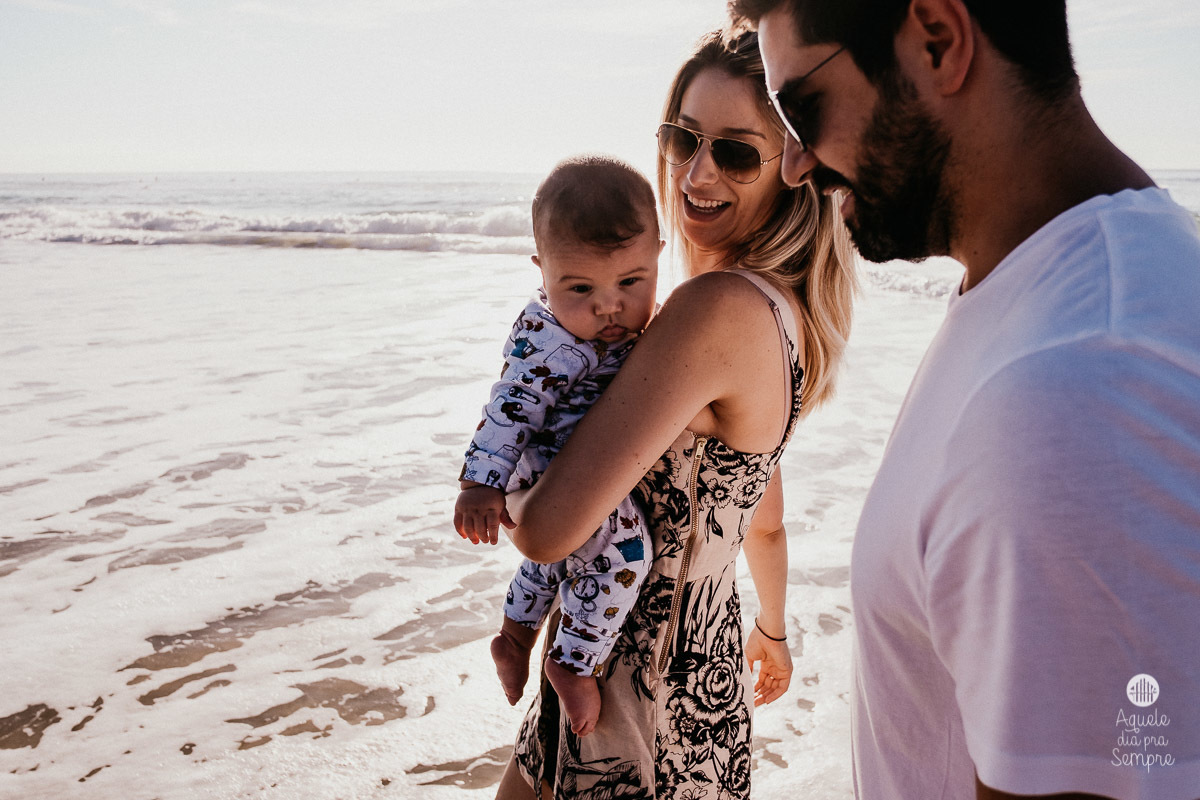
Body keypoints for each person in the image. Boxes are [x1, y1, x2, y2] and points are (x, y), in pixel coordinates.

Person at [729, 1, 1200, 798]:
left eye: (802, 110)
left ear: (938, 42)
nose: (795, 165)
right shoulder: (1053, 297)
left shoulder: (1076, 382)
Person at [493, 30, 857, 800]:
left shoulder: (714, 310)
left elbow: (547, 530)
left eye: (735, 152)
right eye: (682, 137)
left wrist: (504, 478)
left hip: (635, 707)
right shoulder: (776, 309)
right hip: (688, 685)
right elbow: (762, 512)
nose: (695, 172)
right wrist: (773, 627)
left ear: (793, 169)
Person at [454, 154, 661, 738]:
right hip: (545, 463)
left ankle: (515, 637)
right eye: (580, 287)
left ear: (657, 257)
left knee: (555, 565)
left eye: (630, 282)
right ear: (542, 272)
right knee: (624, 553)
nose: (607, 306)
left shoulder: (605, 326)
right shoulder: (552, 341)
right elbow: (507, 407)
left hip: (554, 470)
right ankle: (572, 663)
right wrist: (479, 484)